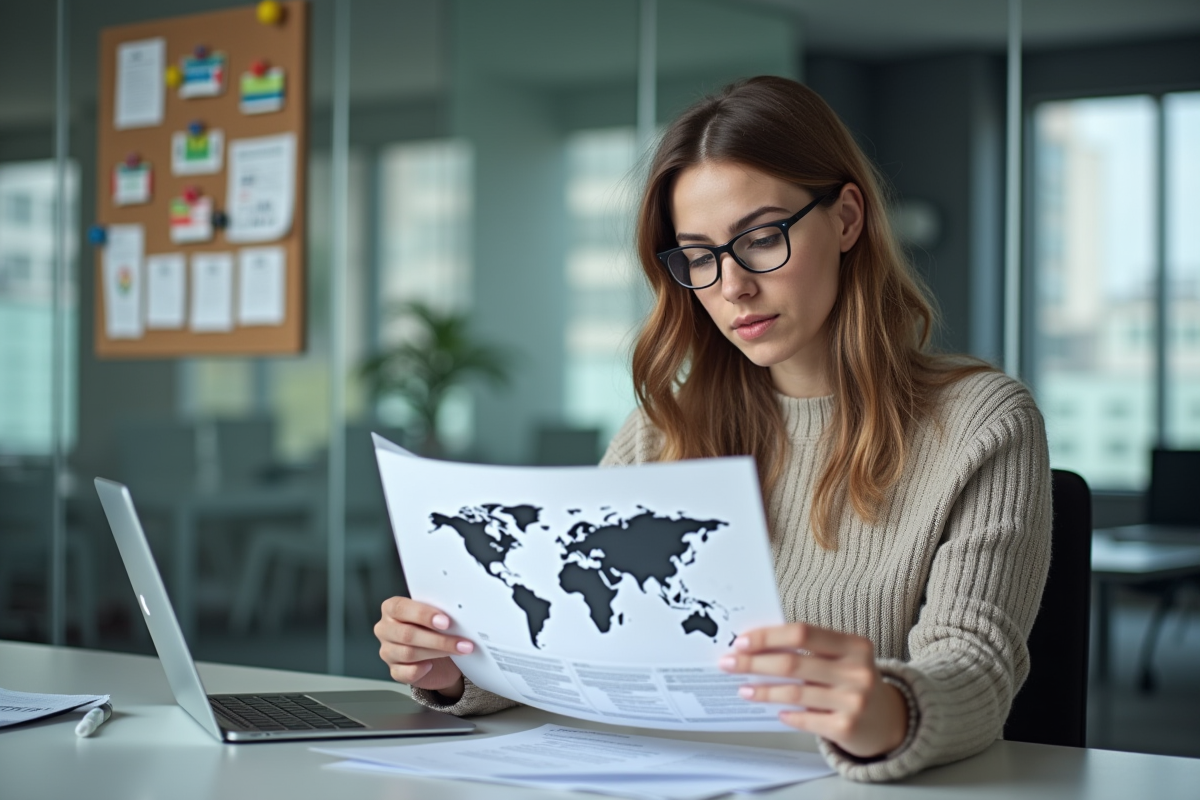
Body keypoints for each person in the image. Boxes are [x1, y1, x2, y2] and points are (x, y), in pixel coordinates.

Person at [374, 75, 1051, 783]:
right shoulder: (661, 429)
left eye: (760, 239)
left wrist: (884, 707)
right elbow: (585, 644)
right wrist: (461, 667)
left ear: (847, 218)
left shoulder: (982, 423)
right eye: (698, 256)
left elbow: (976, 668)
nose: (732, 287)